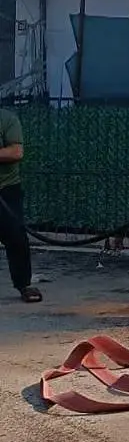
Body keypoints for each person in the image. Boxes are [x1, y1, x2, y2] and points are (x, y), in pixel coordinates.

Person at [0, 106, 41, 303]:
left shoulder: (7, 119)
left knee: (16, 237)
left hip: (5, 189)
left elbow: (16, 152)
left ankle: (24, 284)